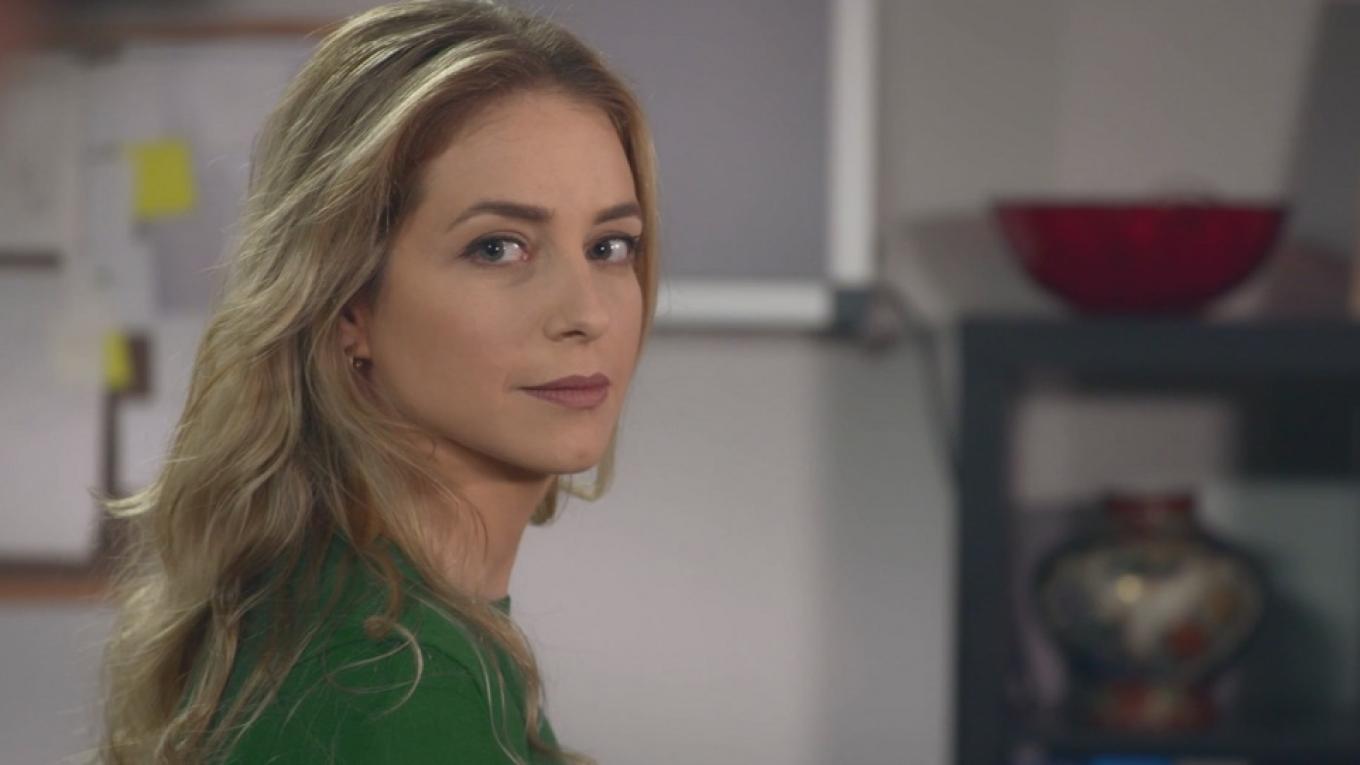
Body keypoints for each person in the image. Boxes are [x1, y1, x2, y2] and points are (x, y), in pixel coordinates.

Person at [97, 1, 659, 762]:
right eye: (498, 247)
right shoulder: (393, 684)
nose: (586, 313)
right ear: (347, 304)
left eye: (610, 246)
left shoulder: (333, 608)